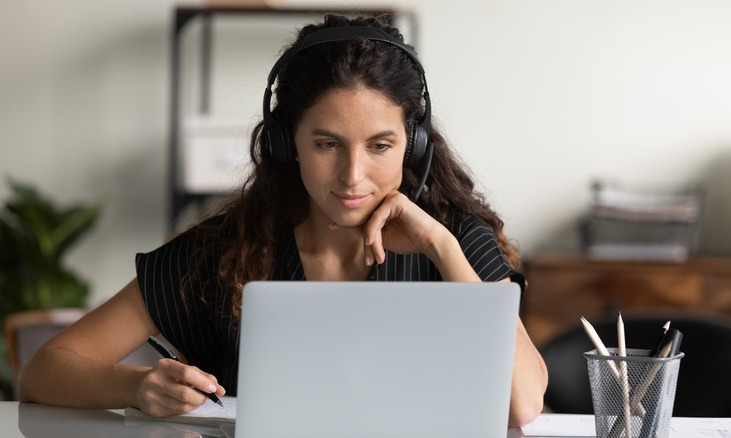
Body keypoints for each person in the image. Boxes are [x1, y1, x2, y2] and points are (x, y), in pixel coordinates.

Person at [19, 14, 548, 427]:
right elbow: (45, 369)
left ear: (414, 145)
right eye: (326, 144)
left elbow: (523, 404)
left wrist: (440, 246)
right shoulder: (225, 250)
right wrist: (133, 387)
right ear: (284, 142)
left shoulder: (453, 237)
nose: (353, 176)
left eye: (381, 145)